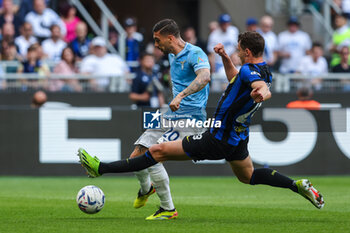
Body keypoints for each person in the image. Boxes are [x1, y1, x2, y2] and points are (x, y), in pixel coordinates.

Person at [77, 32, 325, 215]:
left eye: (238, 50)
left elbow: (258, 87)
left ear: (248, 52)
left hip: (217, 137)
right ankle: (296, 185)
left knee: (155, 151)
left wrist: (263, 93)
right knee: (248, 176)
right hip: (238, 137)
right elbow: (237, 79)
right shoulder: (262, 69)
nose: (237, 53)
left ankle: (103, 170)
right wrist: (226, 58)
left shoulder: (252, 74)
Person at [82, 19, 211, 220]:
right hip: (170, 114)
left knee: (153, 154)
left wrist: (180, 96)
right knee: (138, 153)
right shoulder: (172, 55)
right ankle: (146, 189)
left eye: (158, 40)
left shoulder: (195, 53)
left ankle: (168, 209)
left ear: (170, 38)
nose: (156, 45)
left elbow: (204, 77)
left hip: (190, 118)